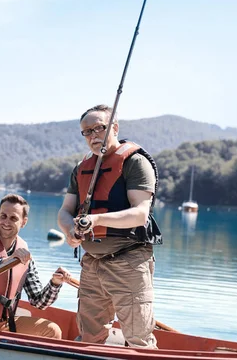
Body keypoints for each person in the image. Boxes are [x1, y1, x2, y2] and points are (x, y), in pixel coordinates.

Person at [57, 104, 162, 348]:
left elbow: (140, 214)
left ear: (114, 127)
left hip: (128, 261)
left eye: (99, 128)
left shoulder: (135, 162)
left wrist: (97, 220)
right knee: (88, 337)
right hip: (92, 263)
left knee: (139, 339)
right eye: (87, 132)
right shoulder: (82, 168)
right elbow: (65, 211)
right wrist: (69, 231)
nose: (93, 136)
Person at [0, 193, 72, 339]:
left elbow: (38, 302)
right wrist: (7, 261)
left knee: (52, 330)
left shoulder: (24, 256)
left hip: (5, 323)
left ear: (24, 222)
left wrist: (55, 284)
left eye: (13, 218)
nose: (6, 222)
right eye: (3, 216)